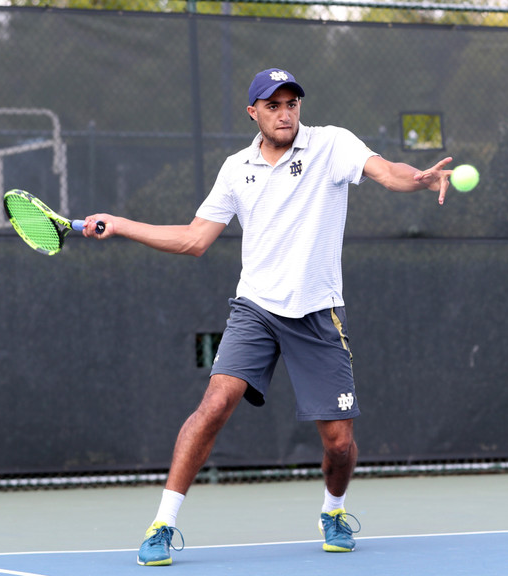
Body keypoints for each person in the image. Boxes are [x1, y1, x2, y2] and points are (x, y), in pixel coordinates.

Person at [81, 68, 454, 566]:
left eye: (292, 103)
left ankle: (334, 510)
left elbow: (387, 171)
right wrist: (123, 224)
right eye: (273, 105)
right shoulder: (236, 169)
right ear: (254, 112)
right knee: (213, 406)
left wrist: (419, 179)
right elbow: (195, 240)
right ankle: (162, 524)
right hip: (256, 309)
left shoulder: (332, 145)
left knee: (340, 443)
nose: (285, 113)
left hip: (318, 313)